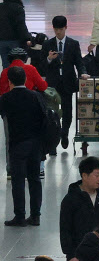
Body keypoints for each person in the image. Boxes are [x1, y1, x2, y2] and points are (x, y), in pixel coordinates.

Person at [0, 67, 45, 227]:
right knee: (35, 180)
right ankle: (35, 216)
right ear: (25, 79)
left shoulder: (6, 99)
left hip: (17, 144)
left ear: (9, 81)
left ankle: (19, 216)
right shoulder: (36, 96)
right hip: (35, 143)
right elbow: (44, 118)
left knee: (18, 181)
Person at [0, 0, 32, 68]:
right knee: (16, 66)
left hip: (2, 42)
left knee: (6, 65)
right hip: (15, 41)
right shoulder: (18, 8)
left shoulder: (1, 7)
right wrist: (28, 38)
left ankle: (6, 80)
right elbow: (21, 26)